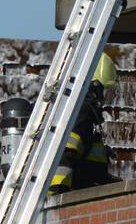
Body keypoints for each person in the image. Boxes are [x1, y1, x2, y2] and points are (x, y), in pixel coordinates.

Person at [49, 52, 119, 193]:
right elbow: (65, 153)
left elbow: (91, 168)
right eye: (105, 89)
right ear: (94, 86)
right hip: (60, 194)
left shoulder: (90, 117)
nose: (105, 97)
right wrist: (58, 194)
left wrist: (108, 183)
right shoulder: (81, 112)